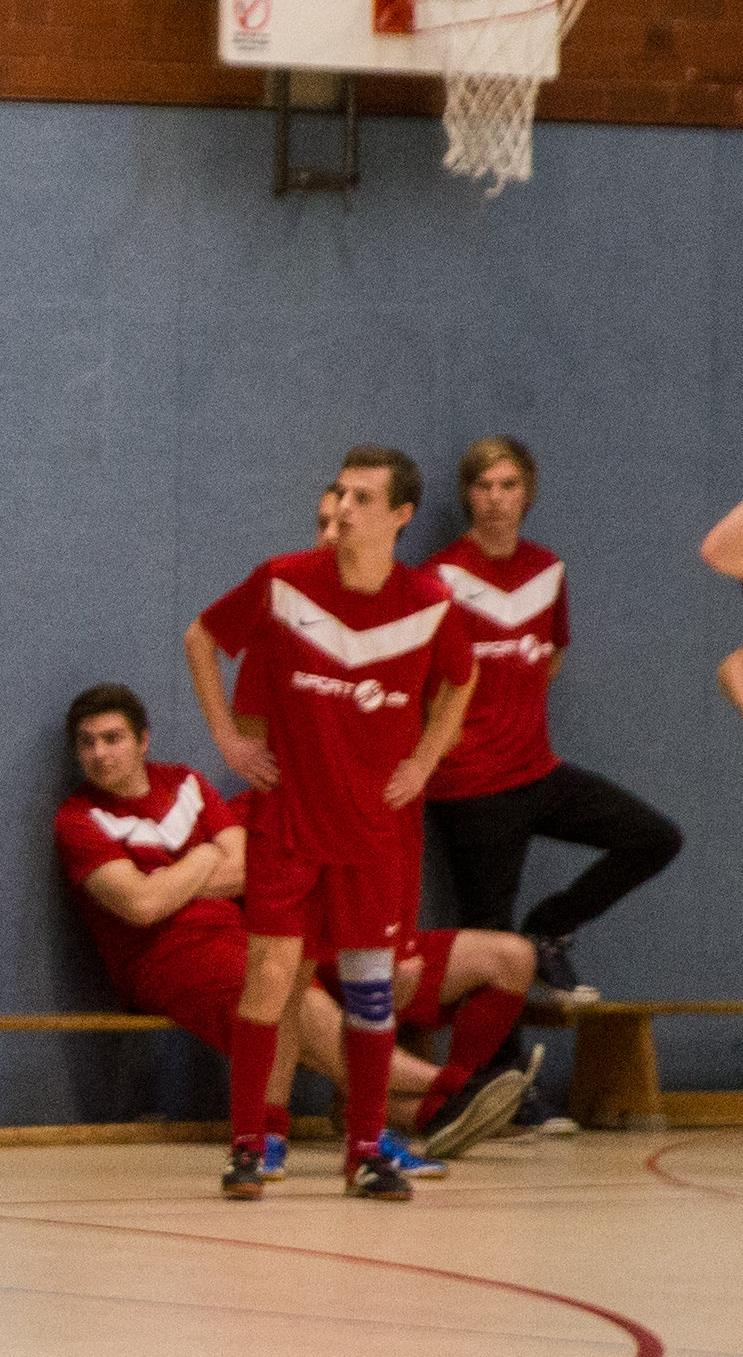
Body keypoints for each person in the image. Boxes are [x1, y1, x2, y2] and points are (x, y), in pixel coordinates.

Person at [56, 688, 530, 1164]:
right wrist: (203, 857)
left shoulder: (185, 781)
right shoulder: (79, 820)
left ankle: (436, 1110)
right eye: (87, 743)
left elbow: (244, 867)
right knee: (291, 995)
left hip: (263, 937)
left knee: (501, 958)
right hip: (170, 959)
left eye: (112, 738)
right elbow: (141, 906)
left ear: (142, 740)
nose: (100, 754)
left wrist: (170, 879)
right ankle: (455, 1088)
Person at [185, 450, 480, 1203]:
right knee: (270, 977)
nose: (344, 508)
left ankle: (366, 1153)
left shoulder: (429, 603)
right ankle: (248, 1145)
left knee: (371, 993)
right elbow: (201, 638)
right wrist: (229, 742)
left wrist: (424, 759)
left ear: (401, 516)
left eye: (363, 497)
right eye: (341, 493)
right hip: (288, 822)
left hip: (374, 831)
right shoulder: (284, 581)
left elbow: (461, 678)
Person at [426, 435, 678, 1002]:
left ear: (528, 492)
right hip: (470, 785)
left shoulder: (547, 570)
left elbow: (551, 656)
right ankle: (502, 1059)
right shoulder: (437, 578)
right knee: (489, 943)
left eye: (508, 485)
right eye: (483, 486)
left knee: (654, 839)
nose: (496, 498)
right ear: (467, 494)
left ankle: (547, 929)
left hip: (536, 770)